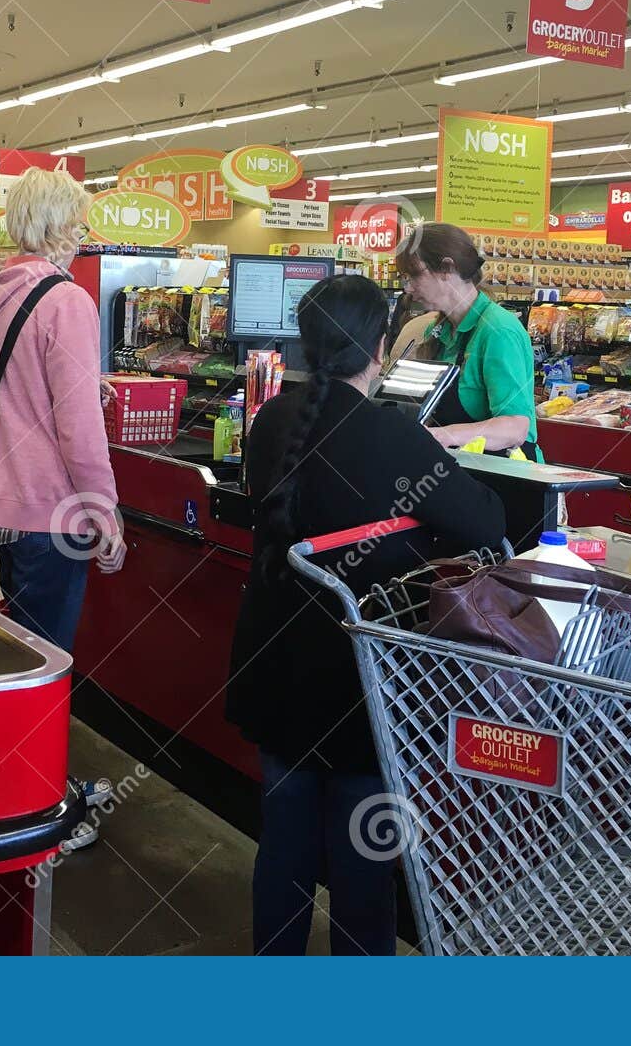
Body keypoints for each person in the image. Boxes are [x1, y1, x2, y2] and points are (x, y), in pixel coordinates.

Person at [228, 274, 509, 956]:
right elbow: (485, 523)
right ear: (379, 348)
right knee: (362, 861)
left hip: (273, 666)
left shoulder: (271, 420)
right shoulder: (392, 436)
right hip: (359, 684)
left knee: (285, 843)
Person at [0, 167, 124, 847]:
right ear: (55, 225)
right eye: (76, 220)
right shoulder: (65, 301)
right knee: (48, 667)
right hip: (50, 514)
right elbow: (76, 431)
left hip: (0, 506)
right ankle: (36, 813)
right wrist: (105, 509)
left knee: (23, 656)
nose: (83, 233)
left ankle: (22, 785)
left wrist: (88, 388)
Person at [395, 222, 540, 458]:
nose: (407, 288)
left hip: (507, 477)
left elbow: (515, 427)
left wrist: (440, 436)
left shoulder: (498, 330)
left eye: (414, 275)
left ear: (446, 268)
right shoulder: (437, 329)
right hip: (463, 470)